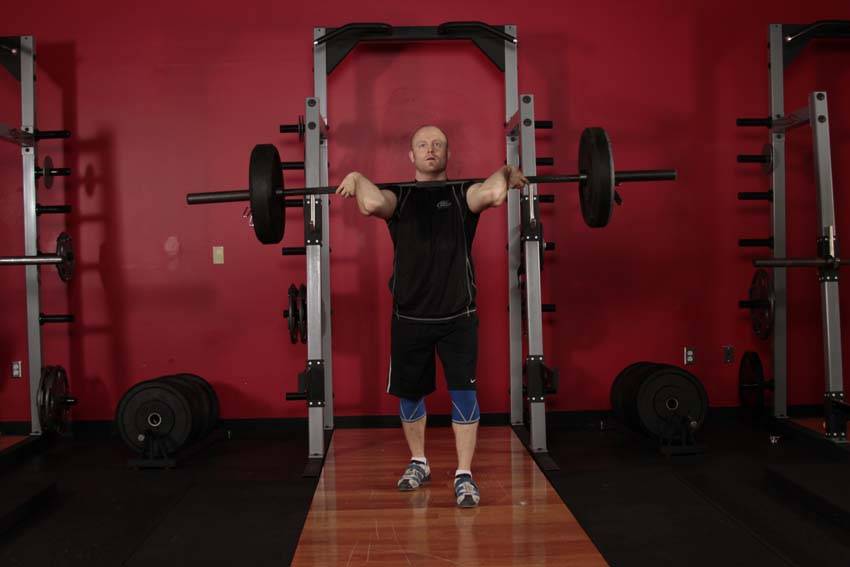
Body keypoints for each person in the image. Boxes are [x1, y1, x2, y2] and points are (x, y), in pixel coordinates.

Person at [335, 125, 528, 507]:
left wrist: (506, 171)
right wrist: (356, 177)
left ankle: (464, 474)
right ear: (411, 155)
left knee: (464, 394)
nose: (430, 149)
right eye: (422, 145)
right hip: (410, 317)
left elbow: (492, 193)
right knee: (410, 394)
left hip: (458, 316)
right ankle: (419, 462)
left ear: (447, 154)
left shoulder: (462, 193)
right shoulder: (400, 196)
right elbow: (370, 204)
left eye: (438, 144)